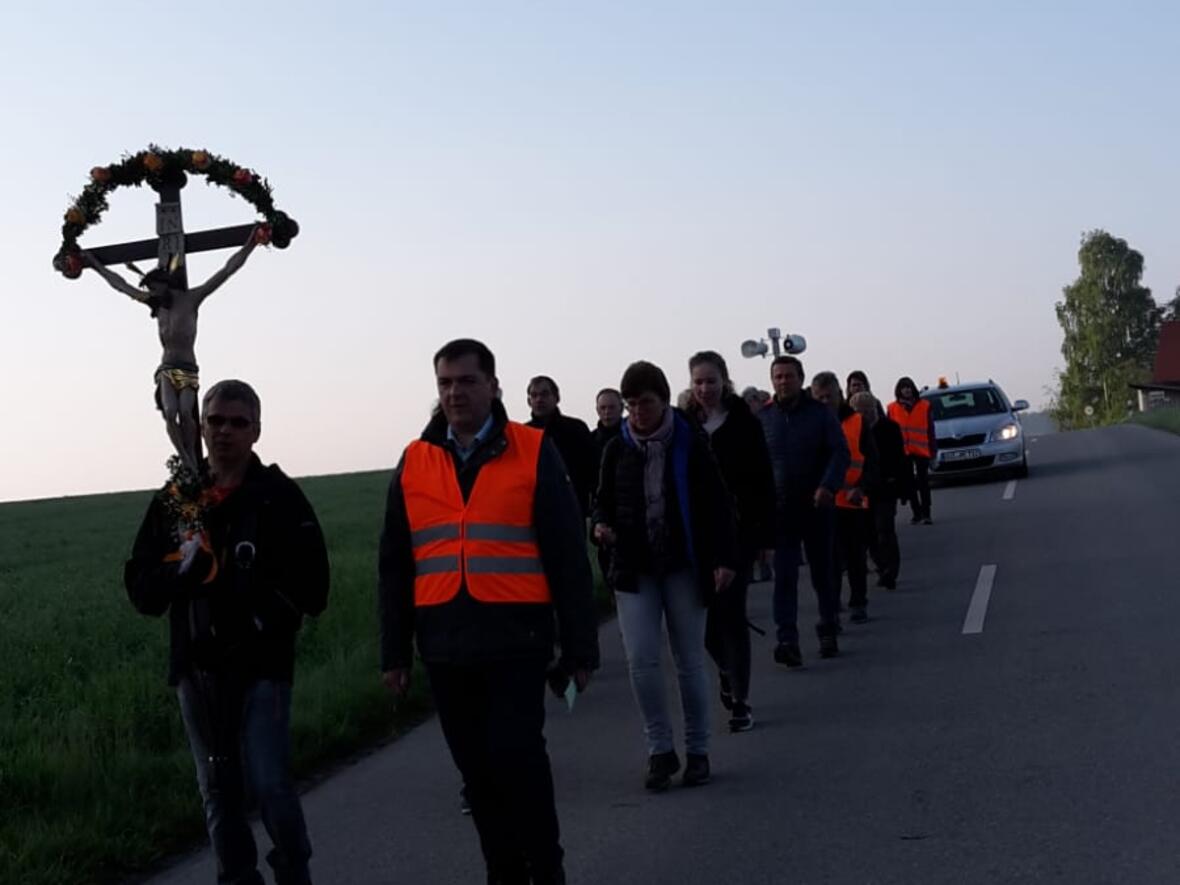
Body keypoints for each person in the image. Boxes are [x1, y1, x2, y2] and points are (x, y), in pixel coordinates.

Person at [379, 339, 599, 885]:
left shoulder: (531, 448)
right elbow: (395, 564)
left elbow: (567, 552)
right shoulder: (416, 459)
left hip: (516, 638)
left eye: (467, 381)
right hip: (446, 642)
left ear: (494, 386)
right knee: (476, 774)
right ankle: (504, 870)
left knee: (517, 759)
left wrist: (580, 646)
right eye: (445, 383)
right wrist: (394, 651)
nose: (455, 393)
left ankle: (546, 867)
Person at [124, 379, 329, 885]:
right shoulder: (179, 500)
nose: (225, 431)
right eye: (215, 420)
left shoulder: (277, 497)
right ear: (200, 425)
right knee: (217, 788)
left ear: (256, 430)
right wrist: (181, 576)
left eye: (238, 422)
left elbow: (313, 587)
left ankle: (292, 870)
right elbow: (141, 586)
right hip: (196, 668)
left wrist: (261, 618)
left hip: (261, 667)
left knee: (269, 783)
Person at [593, 361, 738, 790]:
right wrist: (599, 526)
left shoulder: (690, 442)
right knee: (642, 661)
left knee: (689, 661)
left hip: (683, 565)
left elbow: (718, 504)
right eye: (631, 405)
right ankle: (660, 749)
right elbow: (599, 501)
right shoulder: (615, 449)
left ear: (663, 400)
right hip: (634, 568)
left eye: (647, 403)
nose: (638, 413)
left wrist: (725, 558)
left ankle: (698, 750)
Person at [83, 227, 267, 473]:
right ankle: (187, 460)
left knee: (186, 414)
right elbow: (121, 285)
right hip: (167, 368)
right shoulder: (156, 306)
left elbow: (226, 270)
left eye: (156, 287)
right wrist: (95, 265)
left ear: (166, 284)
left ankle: (191, 455)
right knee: (170, 413)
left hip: (187, 368)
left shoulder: (191, 299)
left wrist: (251, 244)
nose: (153, 292)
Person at [686, 351, 774, 733]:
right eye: (698, 382)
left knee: (733, 616)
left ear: (725, 380)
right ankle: (725, 668)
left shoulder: (744, 424)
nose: (705, 388)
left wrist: (765, 535)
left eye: (711, 380)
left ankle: (741, 700)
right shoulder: (684, 426)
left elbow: (763, 481)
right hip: (692, 537)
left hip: (738, 533)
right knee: (701, 621)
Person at [757, 356, 850, 664]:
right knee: (783, 577)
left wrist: (827, 486)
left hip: (816, 505)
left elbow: (840, 452)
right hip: (781, 511)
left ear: (801, 379)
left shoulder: (820, 414)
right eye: (778, 376)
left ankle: (827, 626)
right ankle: (787, 640)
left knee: (822, 573)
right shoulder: (764, 418)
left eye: (789, 376)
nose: (783, 381)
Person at [812, 373, 878, 624]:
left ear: (840, 395)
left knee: (855, 555)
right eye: (821, 397)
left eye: (830, 396)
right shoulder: (810, 424)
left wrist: (862, 487)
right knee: (828, 559)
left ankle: (858, 601)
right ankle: (831, 605)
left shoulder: (857, 422)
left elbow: (872, 462)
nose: (826, 401)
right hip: (822, 501)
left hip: (852, 499)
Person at [852, 391, 908, 590]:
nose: (865, 414)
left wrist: (903, 488)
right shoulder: (852, 432)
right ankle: (880, 565)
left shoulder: (890, 428)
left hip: (886, 487)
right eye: (860, 411)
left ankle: (891, 570)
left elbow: (901, 460)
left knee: (885, 529)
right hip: (864, 488)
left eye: (868, 409)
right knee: (868, 533)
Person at [526, 375, 595, 517]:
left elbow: (592, 470)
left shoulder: (576, 429)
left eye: (545, 394)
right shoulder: (523, 435)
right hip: (534, 512)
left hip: (572, 509)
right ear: (529, 401)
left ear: (557, 398)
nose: (539, 399)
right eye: (534, 395)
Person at [888, 376, 937, 524]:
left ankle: (926, 513)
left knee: (923, 483)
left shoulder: (924, 405)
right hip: (902, 451)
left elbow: (930, 429)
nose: (907, 390)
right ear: (899, 390)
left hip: (921, 450)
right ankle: (916, 513)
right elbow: (889, 431)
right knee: (909, 484)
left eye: (909, 387)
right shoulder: (892, 408)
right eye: (904, 387)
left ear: (913, 388)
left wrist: (933, 451)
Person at [590, 388, 624, 502]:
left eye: (611, 407)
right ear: (597, 410)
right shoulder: (590, 440)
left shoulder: (633, 438)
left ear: (621, 408)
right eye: (603, 408)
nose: (607, 412)